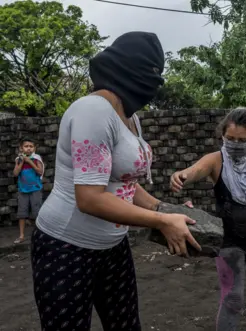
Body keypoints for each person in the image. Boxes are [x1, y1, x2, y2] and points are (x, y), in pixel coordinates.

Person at [31, 32, 201, 331]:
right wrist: (159, 221)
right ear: (126, 69)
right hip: (67, 246)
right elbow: (90, 198)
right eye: (150, 74)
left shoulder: (128, 116)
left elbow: (124, 183)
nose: (153, 84)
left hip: (112, 246)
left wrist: (162, 209)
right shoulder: (93, 110)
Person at [170, 107, 246, 331]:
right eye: (230, 138)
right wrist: (182, 176)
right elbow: (196, 170)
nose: (235, 144)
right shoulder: (216, 160)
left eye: (242, 140)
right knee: (233, 298)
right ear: (222, 136)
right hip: (228, 241)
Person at [12, 137, 44, 244]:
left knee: (37, 213)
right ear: (21, 148)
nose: (29, 149)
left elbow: (40, 172)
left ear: (34, 148)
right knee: (22, 214)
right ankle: (21, 236)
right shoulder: (18, 159)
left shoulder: (36, 158)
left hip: (35, 190)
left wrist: (30, 161)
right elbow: (15, 173)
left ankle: (39, 235)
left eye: (31, 146)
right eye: (26, 146)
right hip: (23, 190)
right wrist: (21, 161)